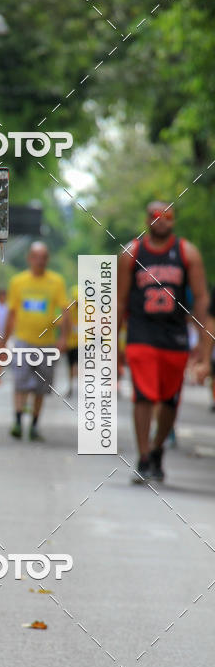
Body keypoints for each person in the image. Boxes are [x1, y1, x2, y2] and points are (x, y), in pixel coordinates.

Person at [117, 201, 209, 483]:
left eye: (167, 215)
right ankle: (144, 457)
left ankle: (157, 450)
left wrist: (204, 344)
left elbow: (202, 297)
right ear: (147, 219)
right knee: (143, 395)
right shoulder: (132, 253)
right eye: (156, 215)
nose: (161, 220)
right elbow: (119, 299)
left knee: (170, 400)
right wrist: (111, 343)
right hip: (141, 333)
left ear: (174, 220)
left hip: (174, 335)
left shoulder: (186, 252)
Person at [3, 242, 69, 440]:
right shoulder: (18, 281)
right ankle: (17, 421)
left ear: (47, 260)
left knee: (41, 386)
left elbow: (65, 311)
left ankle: (33, 425)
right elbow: (12, 312)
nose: (39, 261)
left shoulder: (56, 281)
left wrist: (63, 338)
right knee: (20, 383)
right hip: (23, 340)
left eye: (43, 257)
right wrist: (4, 341)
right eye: (35, 256)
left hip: (47, 343)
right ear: (29, 259)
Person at [65, 284, 78, 399]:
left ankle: (75, 388)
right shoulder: (69, 309)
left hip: (83, 343)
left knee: (78, 367)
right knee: (71, 367)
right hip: (71, 343)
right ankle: (71, 387)